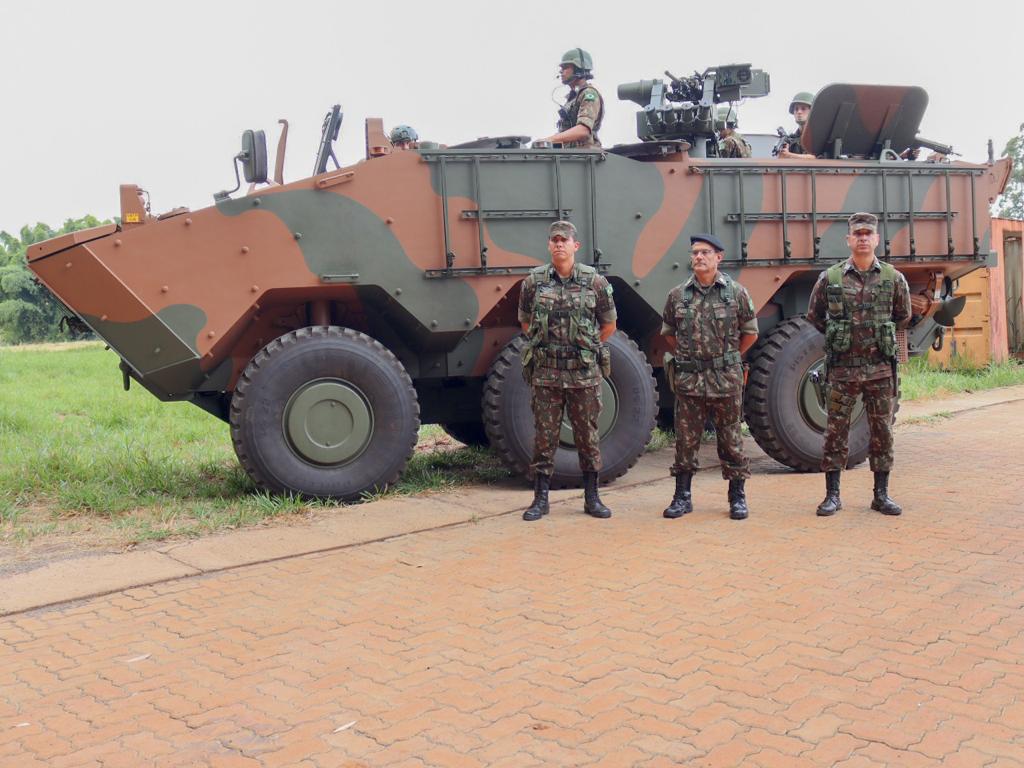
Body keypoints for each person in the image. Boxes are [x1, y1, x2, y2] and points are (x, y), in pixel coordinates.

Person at [807, 212, 912, 517]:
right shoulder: (831, 277)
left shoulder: (893, 278)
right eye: (858, 234)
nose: (863, 238)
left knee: (882, 432)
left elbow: (902, 315)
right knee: (835, 432)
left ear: (877, 239)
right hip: (842, 369)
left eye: (868, 234)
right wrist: (839, 336)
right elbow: (814, 315)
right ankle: (832, 495)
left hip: (879, 368)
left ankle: (881, 495)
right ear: (849, 240)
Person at [518, 221, 617, 521]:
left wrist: (586, 348)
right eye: (554, 240)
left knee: (587, 436)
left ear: (576, 246)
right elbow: (525, 322)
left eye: (565, 240)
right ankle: (540, 499)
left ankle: (592, 497)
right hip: (547, 373)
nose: (559, 244)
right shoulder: (534, 282)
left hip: (583, 375)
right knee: (544, 438)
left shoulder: (594, 282)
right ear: (549, 246)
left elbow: (609, 324)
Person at [661, 234, 759, 521]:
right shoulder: (678, 295)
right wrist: (688, 355)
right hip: (690, 379)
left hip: (725, 378)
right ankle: (682, 496)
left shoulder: (736, 293)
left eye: (705, 252)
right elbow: (668, 333)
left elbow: (750, 333)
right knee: (685, 441)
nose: (699, 257)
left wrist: (727, 357)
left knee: (730, 440)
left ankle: (737, 497)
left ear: (719, 257)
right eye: (695, 253)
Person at [536, 49, 603, 149]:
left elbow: (583, 130)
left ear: (579, 69)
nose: (561, 71)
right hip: (572, 156)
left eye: (565, 67)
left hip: (586, 158)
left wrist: (549, 140)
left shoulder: (589, 93)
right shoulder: (572, 98)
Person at [778, 91, 816, 159]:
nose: (799, 112)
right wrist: (783, 154)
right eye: (796, 109)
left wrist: (789, 155)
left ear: (812, 112)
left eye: (803, 109)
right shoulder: (791, 139)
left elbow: (816, 158)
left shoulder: (818, 137)